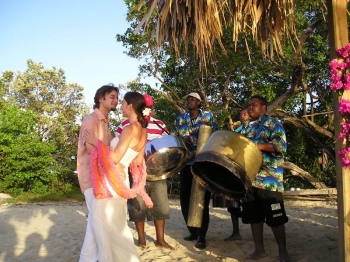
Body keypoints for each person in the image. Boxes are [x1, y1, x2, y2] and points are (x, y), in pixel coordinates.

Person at [81, 91, 152, 262]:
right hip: (122, 181)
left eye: (123, 103)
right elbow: (137, 160)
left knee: (100, 225)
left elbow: (115, 158)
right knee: (117, 225)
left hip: (110, 181)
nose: (120, 106)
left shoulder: (129, 128)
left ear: (130, 106)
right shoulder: (143, 130)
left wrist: (96, 143)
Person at [116, 94, 174, 250]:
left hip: (156, 170)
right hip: (134, 170)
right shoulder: (125, 125)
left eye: (150, 108)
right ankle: (142, 240)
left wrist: (158, 153)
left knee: (160, 204)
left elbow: (168, 145)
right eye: (146, 108)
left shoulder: (160, 125)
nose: (148, 111)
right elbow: (117, 144)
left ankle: (160, 240)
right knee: (137, 206)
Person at [240, 95, 289, 261]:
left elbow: (281, 146)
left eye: (253, 104)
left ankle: (283, 252)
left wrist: (256, 145)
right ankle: (259, 250)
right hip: (249, 179)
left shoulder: (273, 123)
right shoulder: (246, 127)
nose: (249, 107)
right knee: (254, 217)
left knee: (276, 218)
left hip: (269, 180)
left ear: (264, 108)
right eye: (249, 105)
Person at [77, 84, 119, 262]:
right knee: (96, 224)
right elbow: (91, 149)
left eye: (116, 97)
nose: (115, 100)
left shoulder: (105, 122)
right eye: (112, 96)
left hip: (103, 179)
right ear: (100, 99)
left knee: (96, 224)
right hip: (91, 178)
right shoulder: (91, 120)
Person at [172, 92, 217, 250]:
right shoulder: (180, 119)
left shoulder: (208, 117)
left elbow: (215, 136)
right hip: (185, 163)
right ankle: (192, 231)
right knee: (185, 198)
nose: (189, 101)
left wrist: (198, 141)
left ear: (199, 102)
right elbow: (174, 138)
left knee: (201, 200)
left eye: (192, 99)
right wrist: (183, 140)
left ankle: (201, 235)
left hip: (202, 164)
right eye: (188, 99)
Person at [224, 108, 251, 241]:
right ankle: (236, 232)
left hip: (249, 169)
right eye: (240, 114)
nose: (242, 116)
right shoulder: (238, 131)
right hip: (236, 169)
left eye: (245, 114)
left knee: (251, 203)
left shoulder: (254, 129)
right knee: (233, 202)